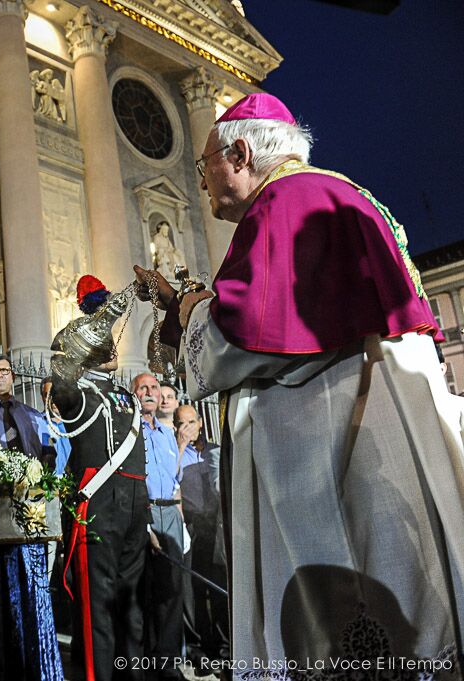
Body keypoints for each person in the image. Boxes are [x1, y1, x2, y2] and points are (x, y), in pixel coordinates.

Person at [135, 92, 464, 668]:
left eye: (204, 163)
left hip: (331, 444)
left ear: (239, 154)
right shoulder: (342, 192)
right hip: (380, 424)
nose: (203, 179)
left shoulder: (286, 202)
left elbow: (242, 333)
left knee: (346, 616)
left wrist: (188, 309)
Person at [48, 274, 148, 681]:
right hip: (100, 506)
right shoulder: (77, 395)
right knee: (97, 605)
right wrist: (97, 320)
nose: (109, 346)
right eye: (98, 342)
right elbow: (63, 381)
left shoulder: (123, 395)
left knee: (132, 605)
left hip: (134, 507)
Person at [132, 372, 191, 679]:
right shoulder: (130, 431)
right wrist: (144, 524)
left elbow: (173, 479)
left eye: (154, 387)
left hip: (170, 512)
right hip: (145, 511)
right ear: (134, 394)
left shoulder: (167, 433)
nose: (150, 392)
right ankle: (144, 662)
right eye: (143, 387)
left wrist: (180, 520)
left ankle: (168, 663)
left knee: (172, 589)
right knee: (144, 589)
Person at [175, 404, 226, 670]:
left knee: (218, 586)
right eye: (182, 423)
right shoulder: (176, 451)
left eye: (191, 422)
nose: (188, 428)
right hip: (192, 525)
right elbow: (171, 479)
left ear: (201, 423)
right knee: (192, 589)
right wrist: (180, 447)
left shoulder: (216, 451)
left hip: (215, 527)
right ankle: (197, 648)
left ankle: (223, 646)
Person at [40, 377, 71, 476]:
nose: (53, 400)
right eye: (47, 395)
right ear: (42, 398)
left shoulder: (74, 425)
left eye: (56, 394)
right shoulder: (37, 424)